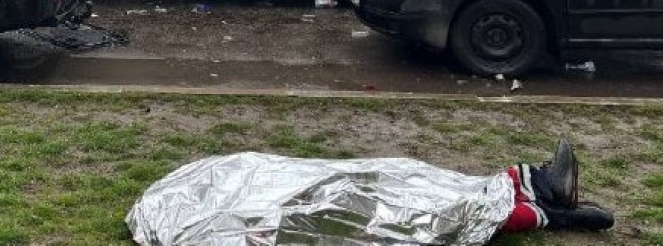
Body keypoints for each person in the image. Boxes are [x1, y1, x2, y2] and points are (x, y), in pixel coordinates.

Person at [127, 139, 613, 245]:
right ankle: (542, 206)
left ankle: (525, 185)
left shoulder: (185, 190)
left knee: (399, 176)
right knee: (398, 212)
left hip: (270, 181)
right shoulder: (181, 223)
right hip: (288, 215)